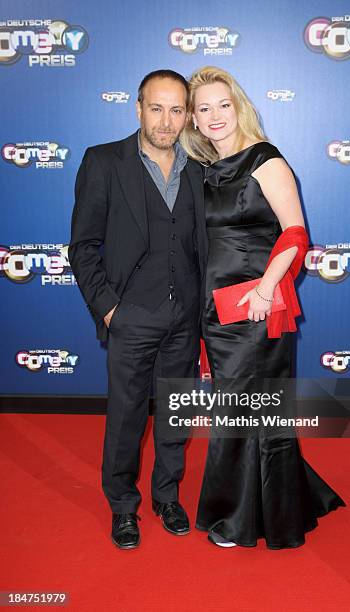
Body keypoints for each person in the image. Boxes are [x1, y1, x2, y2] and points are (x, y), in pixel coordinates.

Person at [180, 66, 345, 549]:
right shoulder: (200, 172)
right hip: (217, 310)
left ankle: (239, 519)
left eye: (222, 105)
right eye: (203, 108)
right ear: (193, 117)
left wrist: (267, 289)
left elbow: (294, 232)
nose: (214, 116)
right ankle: (283, 500)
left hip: (258, 306)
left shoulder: (265, 159)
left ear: (239, 108)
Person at [69, 70, 207, 549]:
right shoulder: (104, 162)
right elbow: (83, 246)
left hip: (185, 316)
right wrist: (109, 309)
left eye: (175, 110)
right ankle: (123, 507)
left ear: (186, 115)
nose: (166, 121)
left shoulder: (199, 169)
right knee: (127, 417)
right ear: (138, 108)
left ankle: (166, 497)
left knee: (175, 414)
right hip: (130, 316)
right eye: (156, 108)